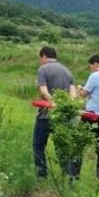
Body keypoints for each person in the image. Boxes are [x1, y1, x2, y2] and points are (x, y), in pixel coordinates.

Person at [33, 45, 77, 178]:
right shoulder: (68, 71)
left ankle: (42, 176)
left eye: (40, 58)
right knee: (62, 148)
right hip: (63, 117)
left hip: (45, 116)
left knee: (38, 146)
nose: (40, 61)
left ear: (44, 56)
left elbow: (44, 91)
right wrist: (64, 106)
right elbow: (73, 96)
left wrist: (54, 103)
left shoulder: (43, 69)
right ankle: (69, 177)